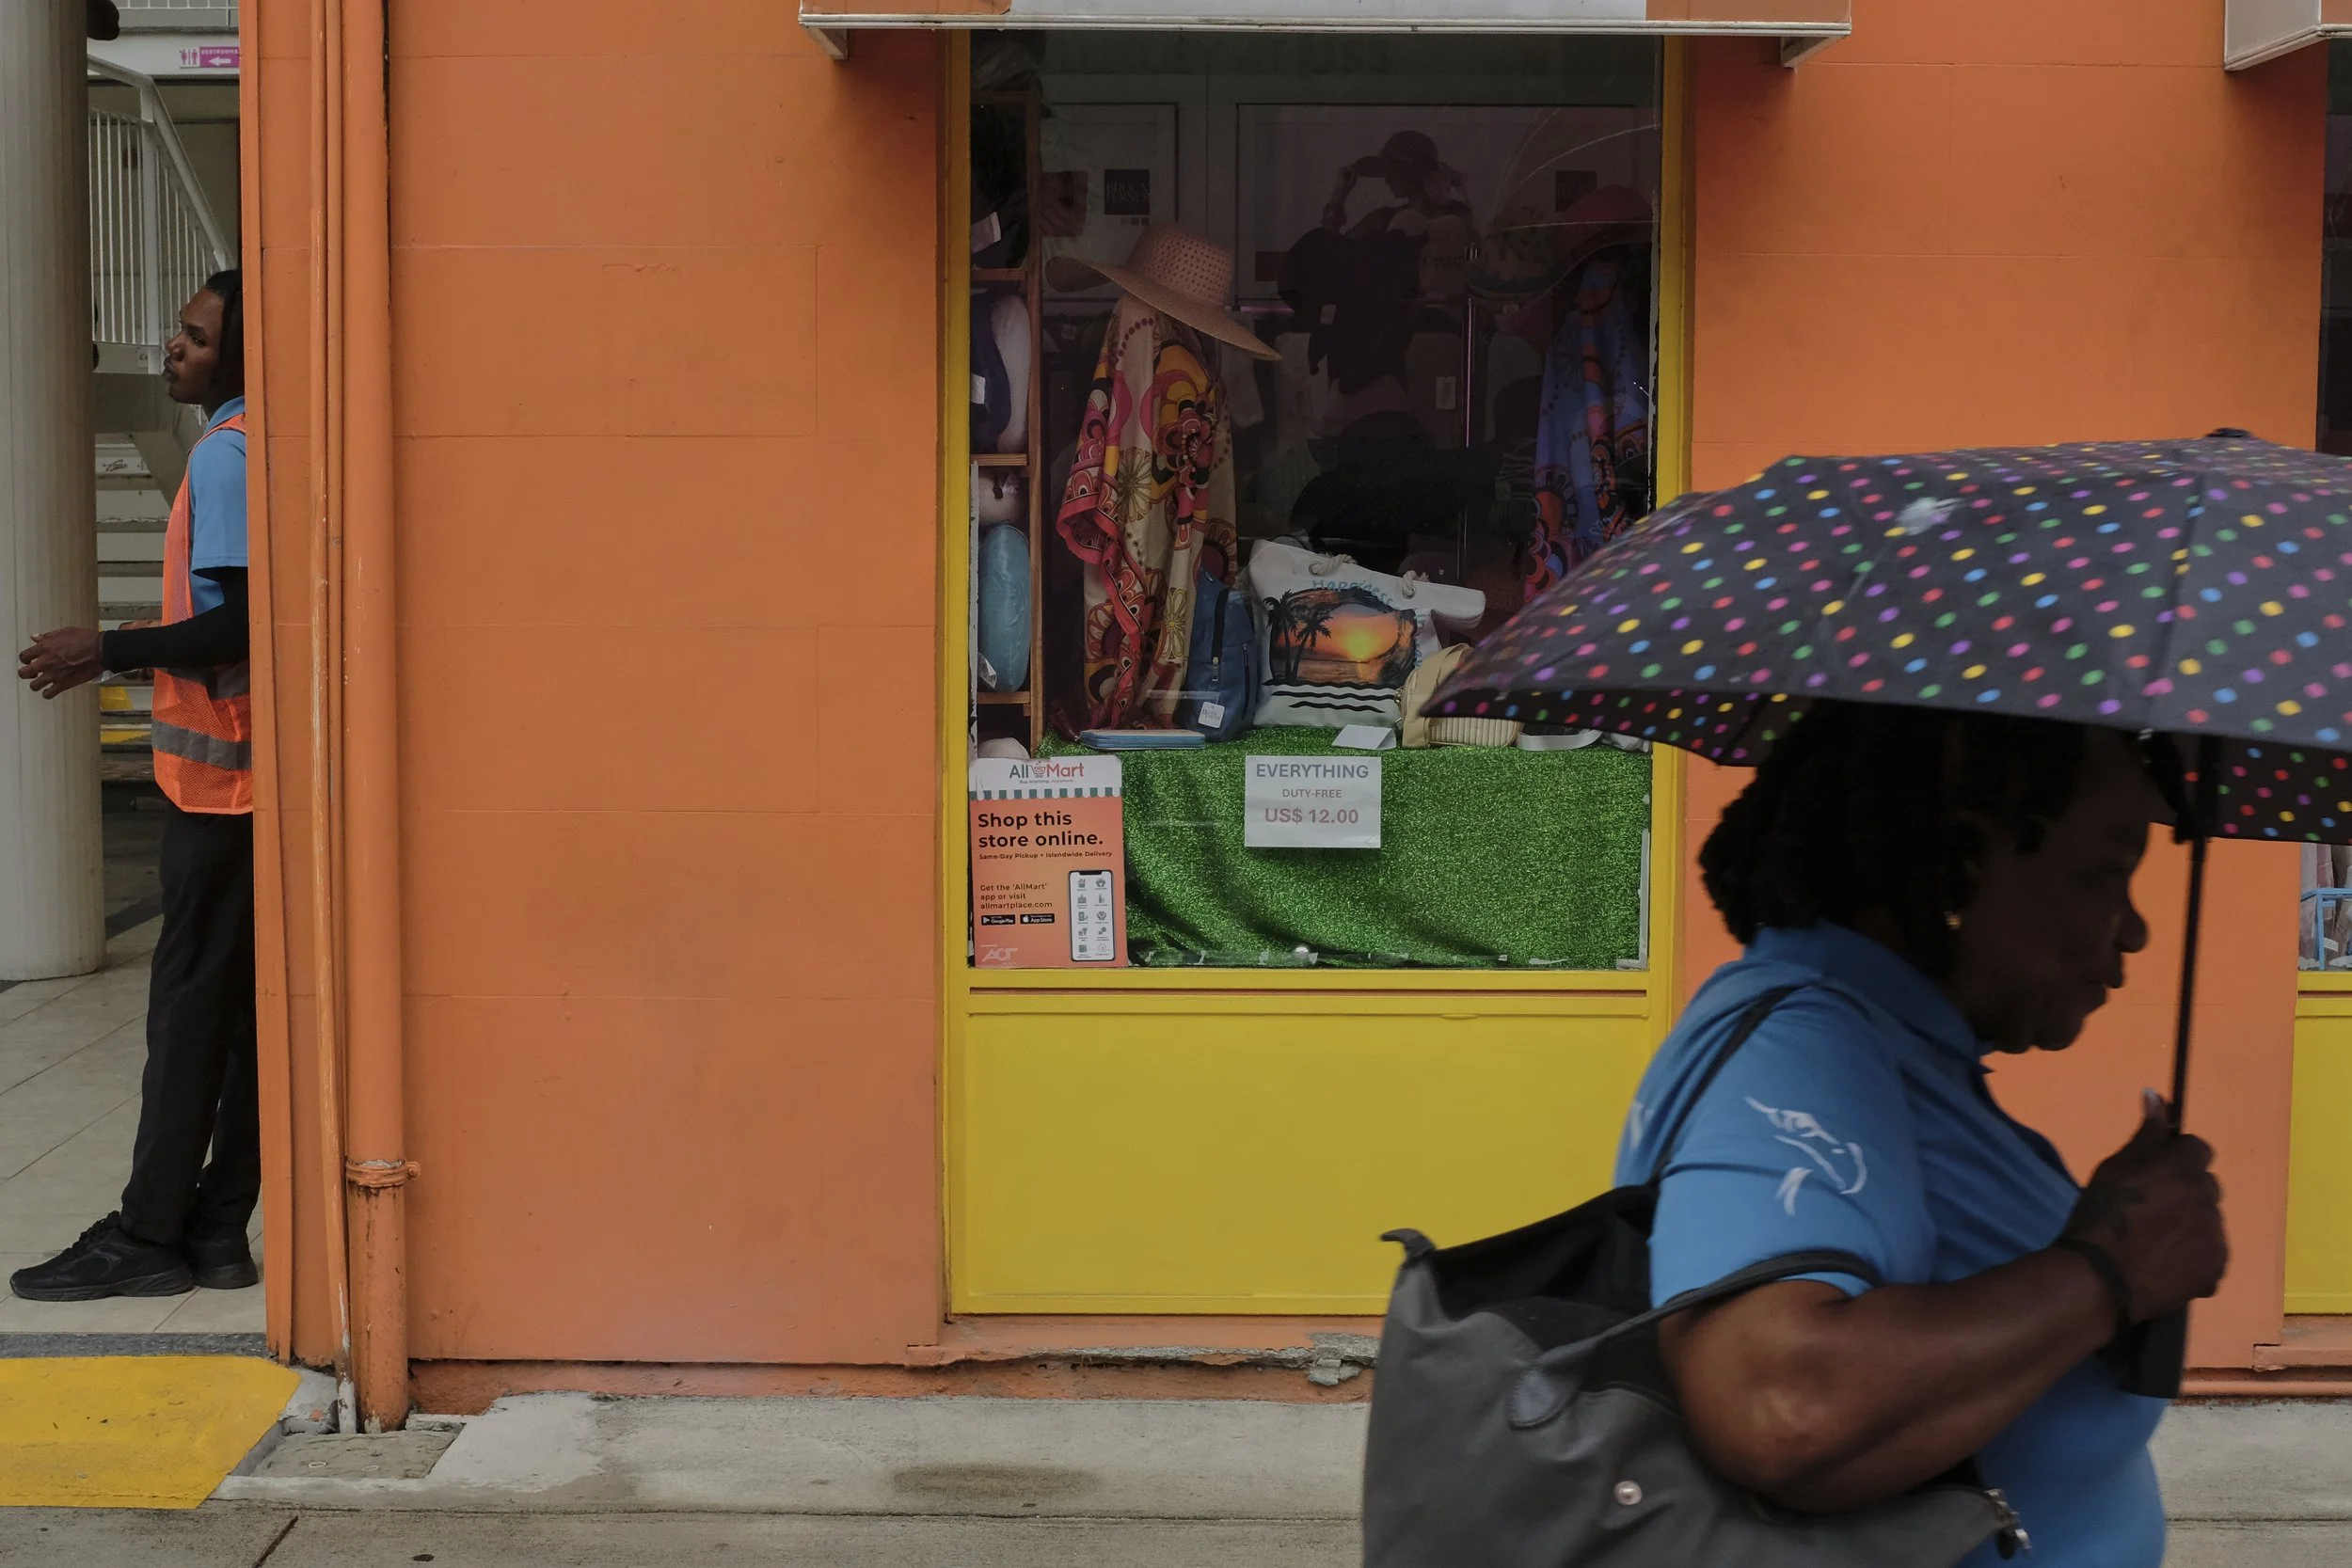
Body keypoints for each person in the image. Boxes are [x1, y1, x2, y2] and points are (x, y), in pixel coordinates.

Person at [1620, 700, 2228, 1567]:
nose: (2133, 926)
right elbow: (1778, 1404)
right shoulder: (1808, 1049)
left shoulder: (1887, 1050)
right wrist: (2108, 1271)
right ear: (1963, 859)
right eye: (2103, 872)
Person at [12, 270, 258, 1302]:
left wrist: (102, 648)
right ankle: (213, 1229)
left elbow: (240, 625)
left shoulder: (228, 456)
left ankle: (149, 1232)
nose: (172, 347)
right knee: (243, 1024)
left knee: (189, 1020)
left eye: (196, 337)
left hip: (222, 799)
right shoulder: (256, 445)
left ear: (240, 356)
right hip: (247, 793)